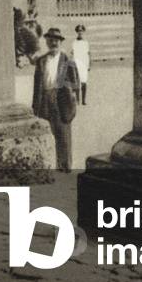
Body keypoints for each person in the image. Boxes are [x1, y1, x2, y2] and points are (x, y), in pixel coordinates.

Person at [32, 27, 80, 173]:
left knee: (63, 135)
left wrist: (69, 95)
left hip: (61, 100)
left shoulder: (67, 61)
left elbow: (75, 83)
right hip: (44, 98)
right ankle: (46, 166)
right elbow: (36, 85)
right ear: (46, 41)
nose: (53, 43)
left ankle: (64, 167)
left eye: (56, 40)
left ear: (60, 42)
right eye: (50, 40)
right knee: (45, 133)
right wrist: (35, 104)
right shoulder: (41, 61)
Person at [71, 24, 90, 105]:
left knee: (84, 83)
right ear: (77, 32)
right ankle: (78, 100)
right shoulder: (74, 43)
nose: (80, 32)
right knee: (77, 83)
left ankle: (83, 100)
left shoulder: (86, 42)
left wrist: (89, 65)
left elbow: (88, 54)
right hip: (76, 64)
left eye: (81, 31)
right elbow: (72, 54)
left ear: (83, 32)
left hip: (84, 65)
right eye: (79, 31)